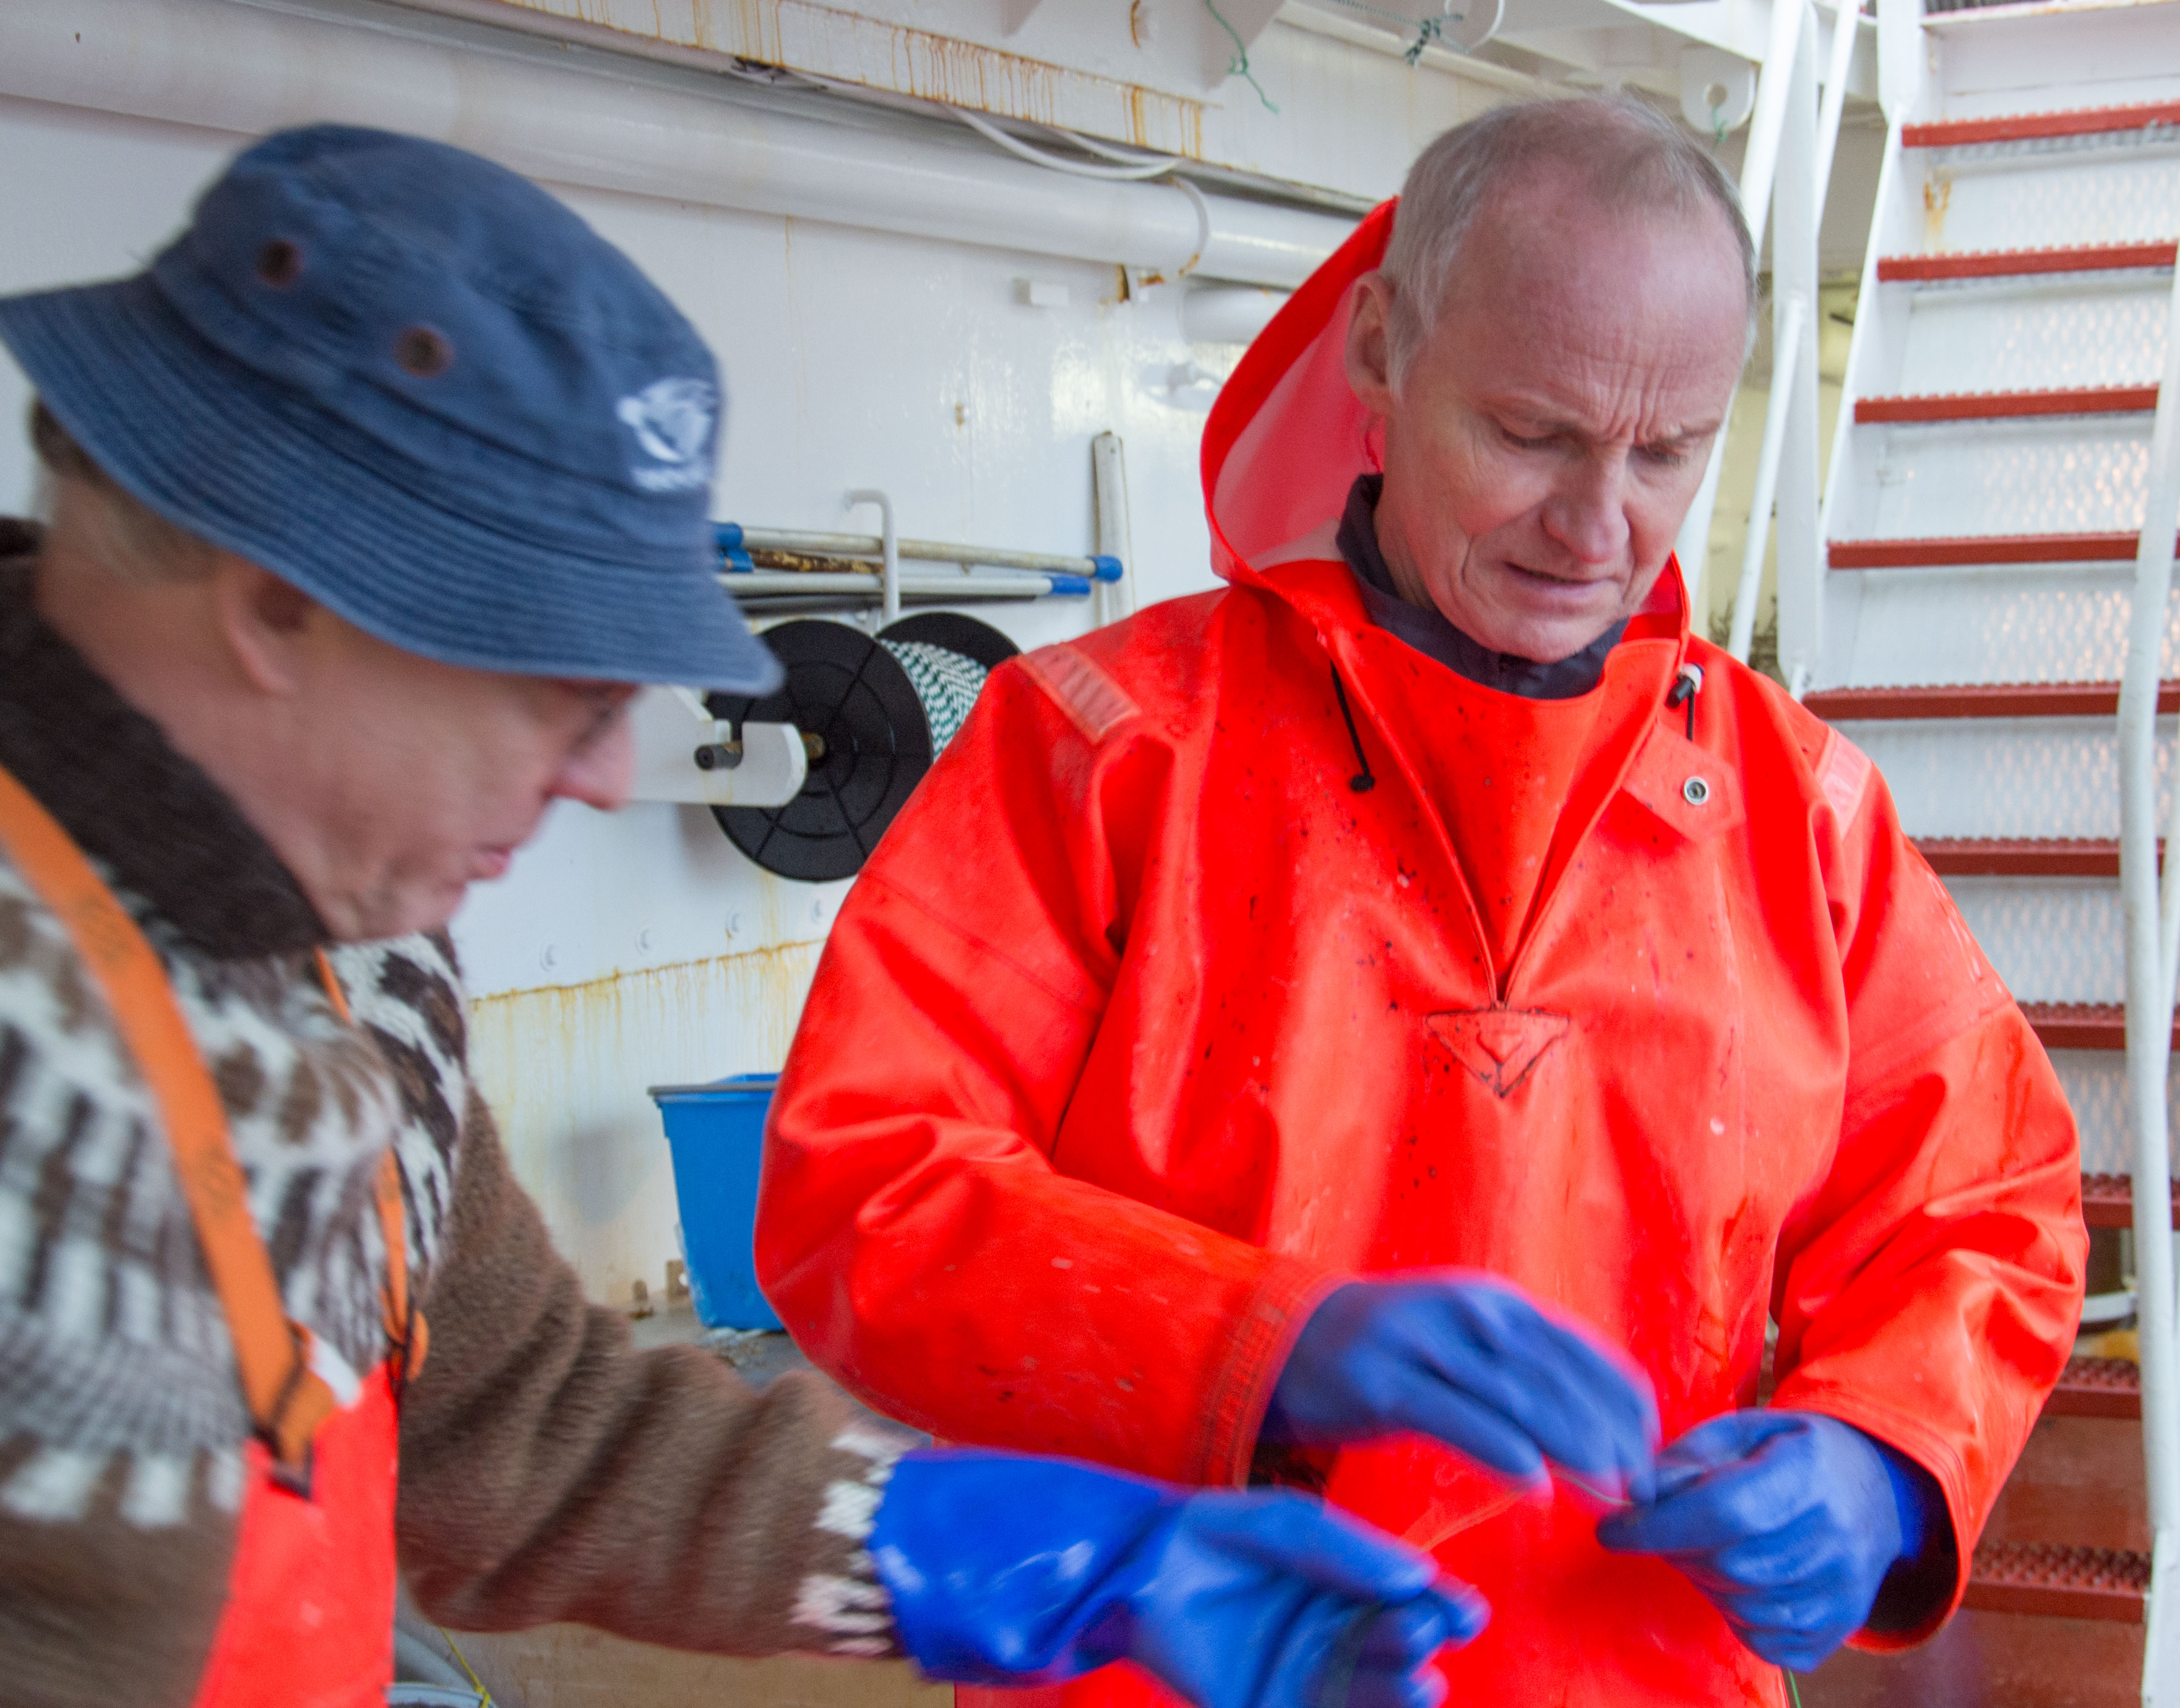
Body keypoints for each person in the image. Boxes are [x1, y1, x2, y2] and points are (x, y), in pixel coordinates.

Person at [0, 124, 1484, 1708]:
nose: (597, 778)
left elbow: (521, 1432)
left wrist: (996, 1550)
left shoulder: (352, 948)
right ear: (282, 604)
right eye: (561, 696)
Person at [761, 95, 2087, 1707]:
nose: (1598, 527)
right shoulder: (1101, 754)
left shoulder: (1794, 812)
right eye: (1531, 433)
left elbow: (1984, 1198)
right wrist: (1253, 1341)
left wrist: (1880, 1454)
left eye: (1663, 453)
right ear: (1380, 355)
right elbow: (863, 1187)